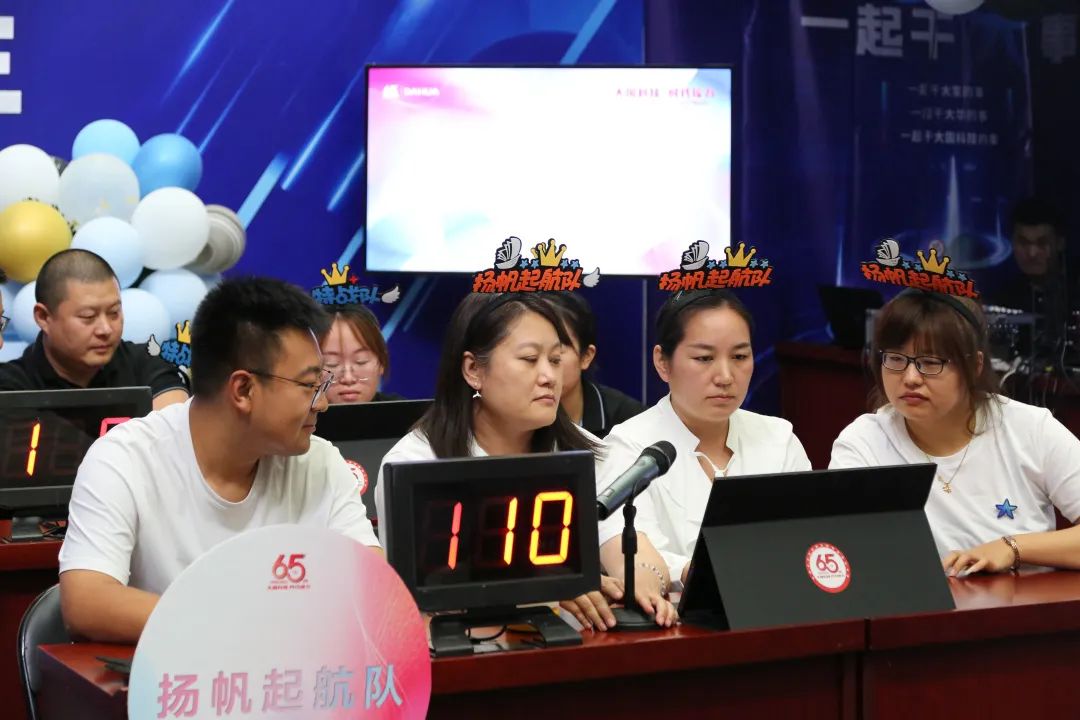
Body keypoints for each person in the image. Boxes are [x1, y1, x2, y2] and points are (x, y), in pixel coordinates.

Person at [58, 277, 381, 643]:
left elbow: (373, 585)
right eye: (309, 385)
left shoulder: (320, 463)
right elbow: (87, 601)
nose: (322, 403)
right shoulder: (125, 459)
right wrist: (238, 626)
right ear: (242, 389)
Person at [376, 291, 676, 630]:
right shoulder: (413, 464)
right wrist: (547, 590)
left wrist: (640, 581)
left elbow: (626, 546)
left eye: (556, 360)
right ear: (473, 370)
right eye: (530, 359)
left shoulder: (591, 453)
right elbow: (422, 600)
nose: (549, 376)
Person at [829, 289, 1080, 575]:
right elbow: (842, 551)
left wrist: (1012, 547)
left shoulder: (1030, 428)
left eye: (930, 363)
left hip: (1027, 601)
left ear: (974, 366)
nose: (910, 378)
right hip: (921, 602)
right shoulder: (864, 442)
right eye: (896, 359)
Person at [596, 289, 812, 587]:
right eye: (704, 358)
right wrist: (707, 575)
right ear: (662, 362)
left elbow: (806, 538)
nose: (725, 376)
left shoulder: (778, 438)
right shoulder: (628, 447)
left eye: (739, 356)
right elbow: (634, 560)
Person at [0, 249, 188, 409]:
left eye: (114, 313)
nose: (105, 329)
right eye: (88, 316)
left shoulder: (146, 365)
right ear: (43, 317)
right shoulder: (10, 386)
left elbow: (173, 426)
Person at [548, 291, 644, 437]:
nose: (543, 368)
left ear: (586, 356)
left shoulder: (630, 420)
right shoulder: (513, 417)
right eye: (531, 356)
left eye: (556, 351)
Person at [321, 303, 402, 403]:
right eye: (332, 363)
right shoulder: (303, 412)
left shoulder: (407, 412)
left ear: (382, 362)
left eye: (361, 361)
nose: (348, 378)